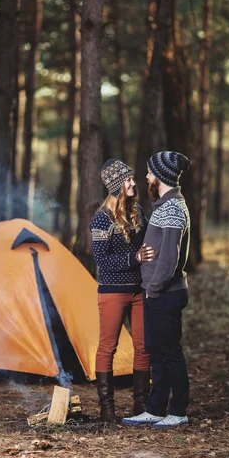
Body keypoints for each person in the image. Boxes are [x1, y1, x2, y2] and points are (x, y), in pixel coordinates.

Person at [122, 151, 192, 429]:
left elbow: (170, 258)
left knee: (170, 353)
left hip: (164, 293)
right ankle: (156, 408)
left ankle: (178, 410)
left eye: (150, 173)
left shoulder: (173, 207)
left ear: (160, 177)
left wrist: (153, 287)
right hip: (156, 292)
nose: (147, 177)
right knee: (158, 353)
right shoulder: (164, 206)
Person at [90, 158, 155, 423]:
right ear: (116, 185)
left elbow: (148, 245)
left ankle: (141, 407)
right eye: (127, 180)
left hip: (139, 291)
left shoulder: (138, 211)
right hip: (112, 292)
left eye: (132, 178)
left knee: (143, 347)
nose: (133, 183)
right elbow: (102, 260)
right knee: (108, 347)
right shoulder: (101, 219)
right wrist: (134, 259)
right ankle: (107, 409)